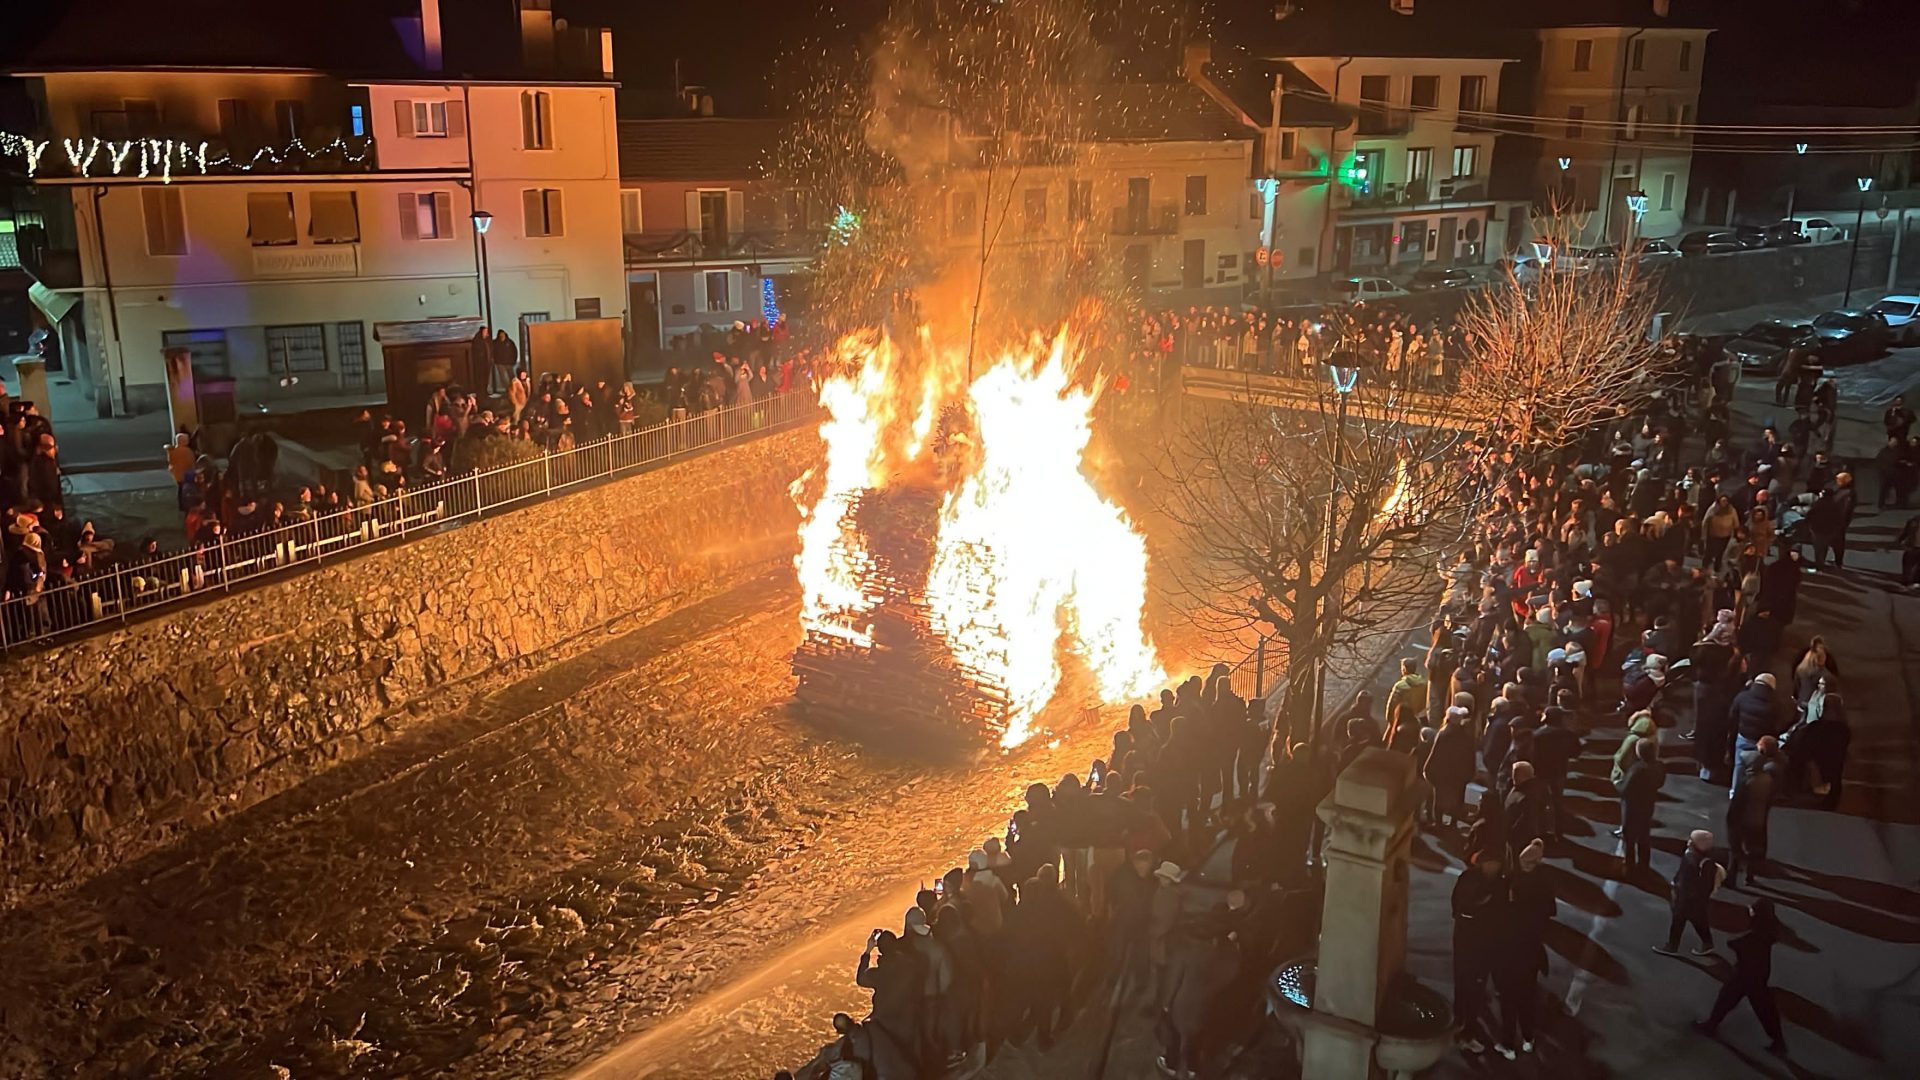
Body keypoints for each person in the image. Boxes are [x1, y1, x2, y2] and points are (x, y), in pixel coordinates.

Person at [1694, 899, 1788, 1055]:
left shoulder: (1753, 936)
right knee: (1765, 1009)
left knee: (1727, 998)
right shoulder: (1770, 930)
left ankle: (1711, 1026)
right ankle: (1778, 1042)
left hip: (1746, 975)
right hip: (1759, 974)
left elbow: (1733, 943)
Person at [1495, 838, 1555, 1057]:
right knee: (1527, 999)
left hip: (1513, 953)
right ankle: (1529, 1038)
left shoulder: (1517, 883)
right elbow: (1551, 910)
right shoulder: (1544, 882)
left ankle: (1508, 1044)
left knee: (1509, 1000)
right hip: (1532, 952)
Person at [1452, 850, 1506, 1054]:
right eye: (1490, 862)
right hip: (1470, 944)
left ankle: (1462, 1026)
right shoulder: (1471, 881)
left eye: (1496, 862)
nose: (1493, 866)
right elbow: (1458, 908)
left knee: (1473, 987)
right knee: (1467, 986)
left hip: (1483, 945)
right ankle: (1464, 1033)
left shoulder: (1499, 883)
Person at [1655, 829, 1721, 957]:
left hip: (1691, 900)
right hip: (1685, 897)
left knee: (1682, 921)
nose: (1689, 842)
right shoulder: (1688, 855)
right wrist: (1675, 882)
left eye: (1692, 841)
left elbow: (1704, 887)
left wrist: (1687, 896)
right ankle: (1706, 944)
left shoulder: (1705, 865)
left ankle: (1672, 946)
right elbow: (1682, 872)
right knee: (1696, 921)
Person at [1727, 736, 1782, 885]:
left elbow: (1737, 804)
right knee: (1753, 848)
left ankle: (1731, 877)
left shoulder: (1747, 781)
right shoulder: (1771, 778)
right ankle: (1750, 876)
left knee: (1735, 848)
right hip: (1758, 818)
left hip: (1742, 819)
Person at [1423, 705, 1477, 828]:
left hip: (1443, 774)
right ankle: (1453, 823)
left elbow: (1435, 754)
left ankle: (1438, 823)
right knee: (1458, 799)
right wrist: (1470, 772)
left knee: (1439, 798)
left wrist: (1427, 769)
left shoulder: (1443, 735)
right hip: (1460, 775)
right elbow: (1470, 755)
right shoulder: (1466, 736)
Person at [1617, 739, 1663, 873]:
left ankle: (1629, 864)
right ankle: (1644, 865)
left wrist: (1620, 784)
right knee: (1644, 835)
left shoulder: (1637, 769)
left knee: (1629, 836)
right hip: (1648, 805)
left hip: (1632, 807)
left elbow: (1625, 789)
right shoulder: (1659, 766)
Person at [1383, 658, 1429, 751]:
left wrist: (1390, 719)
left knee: (1390, 743)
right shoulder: (1424, 683)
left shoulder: (1400, 686)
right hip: (1417, 716)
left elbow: (1392, 704)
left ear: (1404, 669)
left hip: (1401, 718)